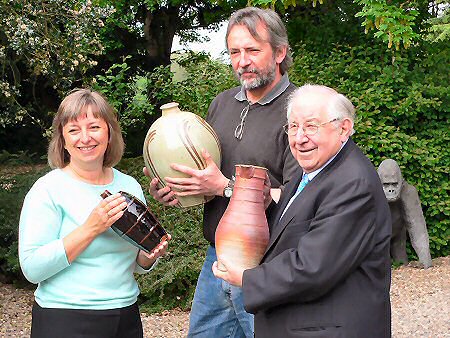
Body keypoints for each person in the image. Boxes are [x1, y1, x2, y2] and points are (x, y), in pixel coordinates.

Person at [145, 7, 299, 338]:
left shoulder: (300, 111)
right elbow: (208, 180)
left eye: (253, 50)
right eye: (234, 52)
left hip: (267, 264)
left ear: (280, 52)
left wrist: (224, 187)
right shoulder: (222, 103)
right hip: (216, 261)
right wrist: (178, 191)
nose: (242, 61)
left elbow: (301, 198)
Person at [213, 84, 392, 338]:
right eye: (293, 126)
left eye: (311, 126)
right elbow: (304, 220)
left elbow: (313, 266)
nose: (299, 138)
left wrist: (247, 278)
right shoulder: (308, 168)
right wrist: (269, 205)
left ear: (344, 129)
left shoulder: (353, 183)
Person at [19, 89, 170, 338]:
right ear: (63, 139)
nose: (85, 138)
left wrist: (150, 255)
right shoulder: (47, 189)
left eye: (94, 127)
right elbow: (33, 269)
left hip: (125, 316)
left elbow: (135, 264)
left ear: (109, 132)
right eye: (74, 130)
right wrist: (91, 228)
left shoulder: (129, 185)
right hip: (65, 319)